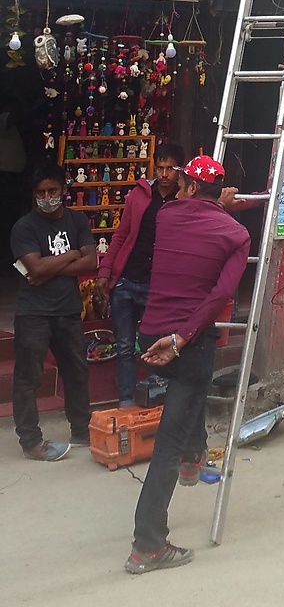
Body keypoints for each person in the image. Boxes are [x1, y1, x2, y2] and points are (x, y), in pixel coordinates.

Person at [125, 155, 250, 575]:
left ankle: (194, 457)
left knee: (185, 398)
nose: (175, 188)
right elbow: (219, 297)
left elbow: (191, 216)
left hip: (150, 338)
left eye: (181, 182)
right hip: (185, 345)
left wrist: (171, 341)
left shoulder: (165, 217)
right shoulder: (235, 235)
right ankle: (148, 545)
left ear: (192, 188)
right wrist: (181, 340)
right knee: (169, 441)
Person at [10, 163, 96, 460]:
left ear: (64, 191)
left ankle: (82, 431)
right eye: (41, 192)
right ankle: (31, 441)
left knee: (76, 372)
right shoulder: (24, 227)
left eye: (52, 191)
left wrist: (49, 267)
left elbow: (92, 263)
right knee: (28, 377)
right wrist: (72, 254)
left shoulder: (77, 221)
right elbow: (34, 268)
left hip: (69, 311)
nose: (47, 197)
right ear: (34, 195)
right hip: (33, 313)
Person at [92, 142, 186, 406]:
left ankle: (157, 402)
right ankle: (126, 403)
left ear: (180, 170)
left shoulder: (185, 201)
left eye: (171, 168)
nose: (165, 174)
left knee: (155, 346)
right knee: (123, 348)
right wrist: (105, 271)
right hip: (126, 281)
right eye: (161, 167)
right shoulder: (140, 194)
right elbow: (121, 235)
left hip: (158, 287)